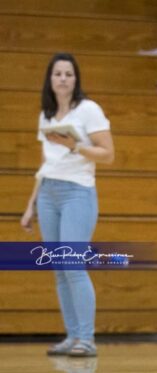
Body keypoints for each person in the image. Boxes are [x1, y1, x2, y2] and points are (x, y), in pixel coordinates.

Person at [20, 53, 115, 357]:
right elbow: (46, 163)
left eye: (69, 74)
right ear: (50, 79)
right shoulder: (46, 115)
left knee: (73, 265)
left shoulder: (89, 110)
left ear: (76, 80)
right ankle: (72, 336)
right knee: (60, 269)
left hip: (78, 192)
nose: (63, 79)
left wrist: (74, 145)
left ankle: (87, 339)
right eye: (58, 73)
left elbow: (108, 154)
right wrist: (31, 203)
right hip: (49, 192)